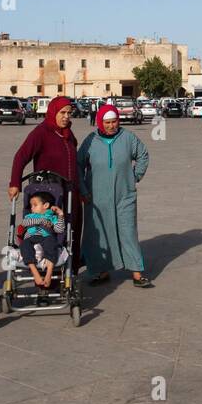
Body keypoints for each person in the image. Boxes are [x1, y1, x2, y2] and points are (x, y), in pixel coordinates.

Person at [79, 104, 152, 288]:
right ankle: (101, 272)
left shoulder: (128, 137)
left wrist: (135, 175)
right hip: (96, 198)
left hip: (124, 196)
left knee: (128, 231)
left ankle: (137, 272)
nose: (111, 126)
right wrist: (83, 190)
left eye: (114, 122)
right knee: (99, 235)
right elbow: (78, 165)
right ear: (100, 122)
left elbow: (143, 155)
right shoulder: (91, 140)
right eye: (107, 122)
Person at [9, 96, 83, 271]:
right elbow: (21, 156)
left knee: (71, 232)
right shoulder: (41, 132)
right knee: (52, 234)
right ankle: (47, 278)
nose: (66, 116)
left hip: (71, 192)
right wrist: (14, 183)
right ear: (53, 112)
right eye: (62, 112)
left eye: (69, 113)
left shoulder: (67, 133)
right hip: (51, 194)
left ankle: (69, 273)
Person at [20, 190, 66, 287]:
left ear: (45, 205)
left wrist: (60, 215)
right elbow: (25, 223)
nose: (32, 208)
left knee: (51, 242)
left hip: (45, 237)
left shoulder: (52, 217)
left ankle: (49, 273)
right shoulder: (30, 216)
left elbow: (59, 230)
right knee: (24, 245)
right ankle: (35, 273)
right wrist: (41, 220)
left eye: (35, 205)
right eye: (31, 205)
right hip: (30, 237)